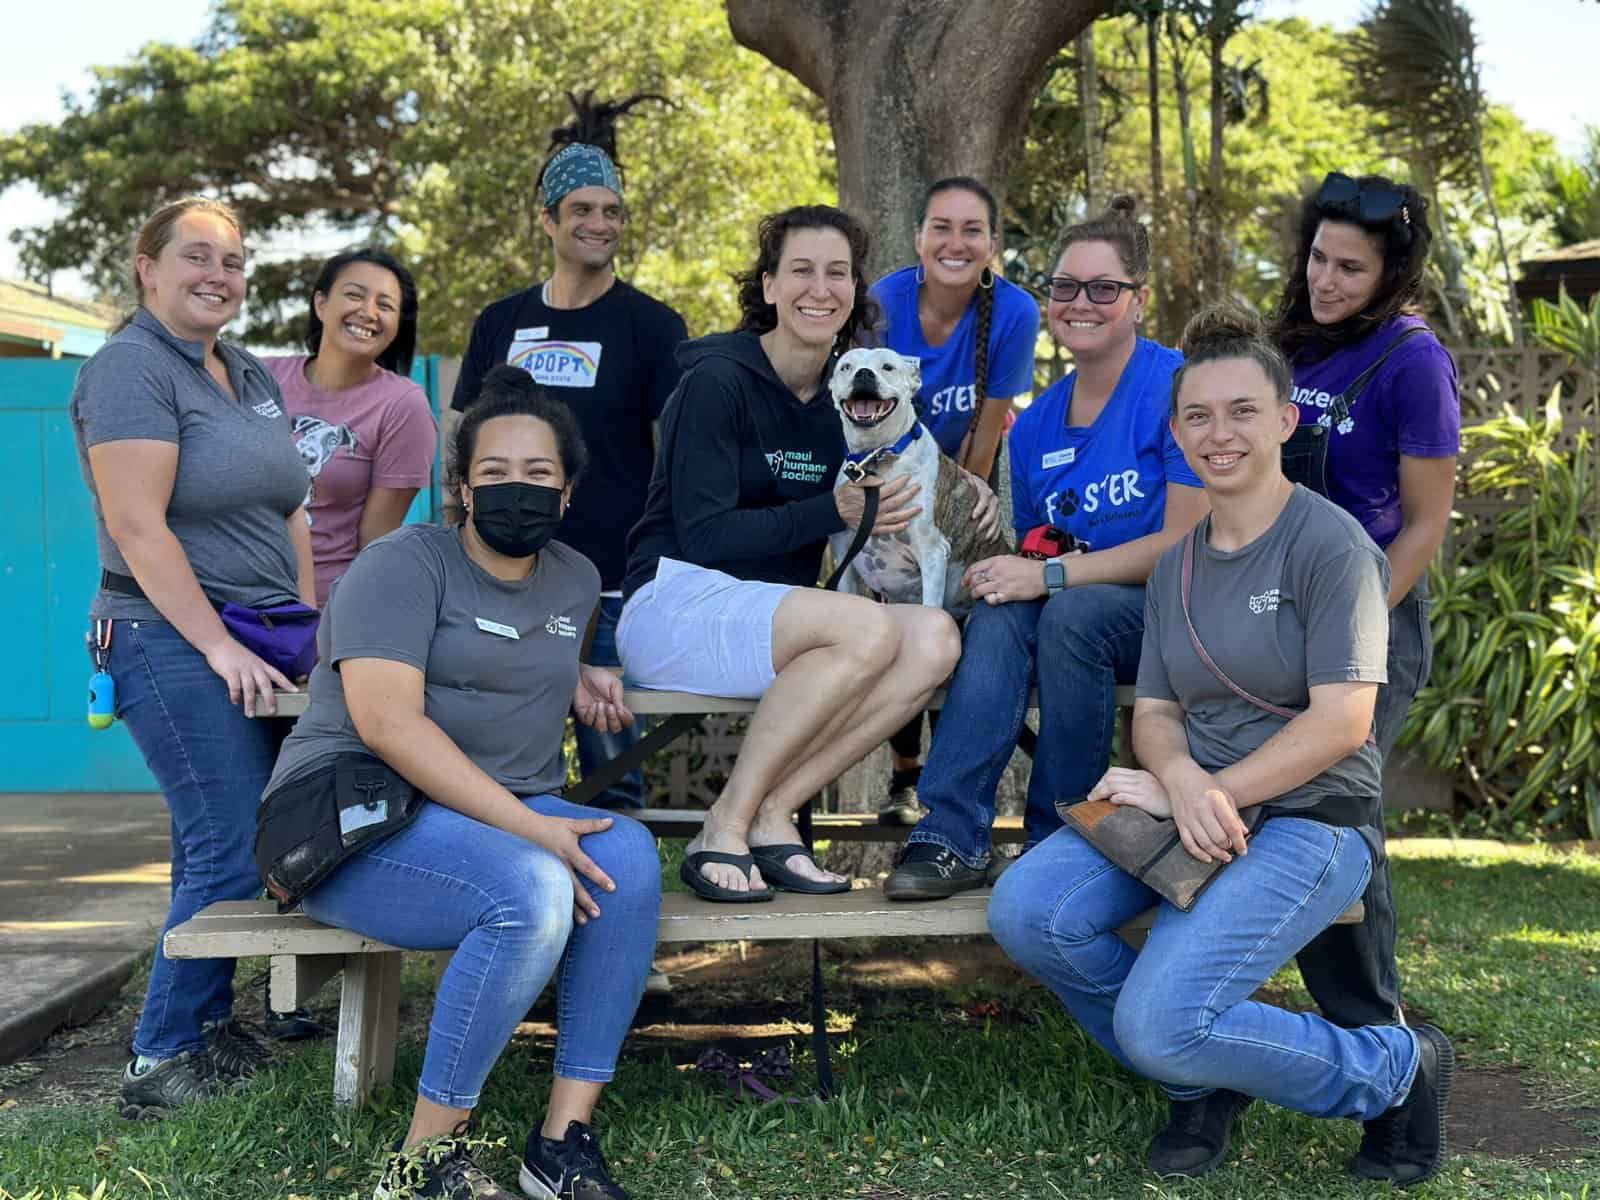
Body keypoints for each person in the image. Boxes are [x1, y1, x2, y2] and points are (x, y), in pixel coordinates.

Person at [988, 305, 1454, 1189]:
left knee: (1159, 1021)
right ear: (1175, 433)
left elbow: (1343, 721)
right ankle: (1200, 1076)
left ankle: (1394, 1070)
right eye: (1197, 417)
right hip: (1201, 800)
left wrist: (1211, 792)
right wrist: (1175, 777)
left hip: (1313, 820)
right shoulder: (1178, 563)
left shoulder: (1335, 548)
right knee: (1026, 911)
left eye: (1242, 411)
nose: (1219, 433)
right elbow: (1157, 709)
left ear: (1285, 421)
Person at [265, 366, 659, 1199]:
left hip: (497, 806)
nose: (518, 489)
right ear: (463, 488)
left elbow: (533, 650)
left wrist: (589, 669)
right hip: (355, 812)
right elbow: (387, 724)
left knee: (631, 855)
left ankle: (561, 1139)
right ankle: (422, 1159)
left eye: (539, 475)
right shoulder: (402, 564)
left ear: (569, 488)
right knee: (530, 889)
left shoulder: (578, 577)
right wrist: (531, 829)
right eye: (495, 474)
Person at [618, 204, 964, 901]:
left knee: (934, 637)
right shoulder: (716, 384)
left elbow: (910, 462)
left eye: (838, 273)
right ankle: (725, 824)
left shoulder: (845, 400)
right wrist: (827, 509)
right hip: (677, 604)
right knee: (864, 623)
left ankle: (777, 814)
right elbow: (707, 536)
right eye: (801, 270)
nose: (821, 288)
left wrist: (969, 495)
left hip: (784, 630)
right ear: (769, 286)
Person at [884, 196, 1209, 901]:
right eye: (1065, 288)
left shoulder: (1175, 385)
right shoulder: (1032, 431)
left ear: (1138, 300)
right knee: (1002, 610)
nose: (1080, 303)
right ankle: (950, 835)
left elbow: (1187, 542)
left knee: (1070, 613)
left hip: (1176, 611)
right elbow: (1038, 550)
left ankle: (1058, 842)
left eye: (1104, 289)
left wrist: (1053, 576)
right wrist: (1018, 572)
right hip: (1076, 613)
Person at [70, 197, 315, 1117]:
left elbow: (288, 505)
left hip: (260, 636)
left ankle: (204, 1028)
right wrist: (215, 645)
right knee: (229, 846)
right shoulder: (130, 369)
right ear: (147, 266)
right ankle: (160, 1056)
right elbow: (137, 525)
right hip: (167, 637)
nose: (220, 275)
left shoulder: (245, 369)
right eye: (198, 256)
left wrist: (304, 622)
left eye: (236, 261)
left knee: (209, 846)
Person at [1271, 170, 1459, 1173]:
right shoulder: (1296, 339)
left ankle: (1395, 1072)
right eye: (1317, 259)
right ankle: (1217, 1063)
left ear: (1390, 274)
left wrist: (1347, 634)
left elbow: (1424, 524)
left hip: (1369, 626)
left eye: (1351, 267)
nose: (1327, 280)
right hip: (1272, 616)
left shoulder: (1411, 360)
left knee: (1334, 830)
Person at [452, 91, 687, 814]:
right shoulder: (502, 321)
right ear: (549, 220)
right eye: (582, 210)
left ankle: (620, 897)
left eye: (612, 211)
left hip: (612, 585)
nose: (599, 224)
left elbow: (673, 459)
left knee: (613, 776)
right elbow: (461, 443)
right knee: (494, 761)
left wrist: (654, 568)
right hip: (503, 582)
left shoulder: (652, 326)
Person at [870, 176, 1042, 823]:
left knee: (961, 613)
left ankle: (954, 790)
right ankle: (903, 774)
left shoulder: (1016, 313)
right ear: (918, 238)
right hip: (883, 471)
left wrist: (958, 499)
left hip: (961, 471)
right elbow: (863, 416)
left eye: (972, 230)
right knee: (894, 606)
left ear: (992, 243)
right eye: (941, 227)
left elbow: (991, 424)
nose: (955, 241)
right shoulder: (882, 304)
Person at [265, 248, 436, 607]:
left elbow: (375, 544)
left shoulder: (403, 406)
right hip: (233, 594)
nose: (368, 312)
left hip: (325, 612)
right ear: (321, 304)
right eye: (354, 295)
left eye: (385, 305)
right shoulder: (260, 378)